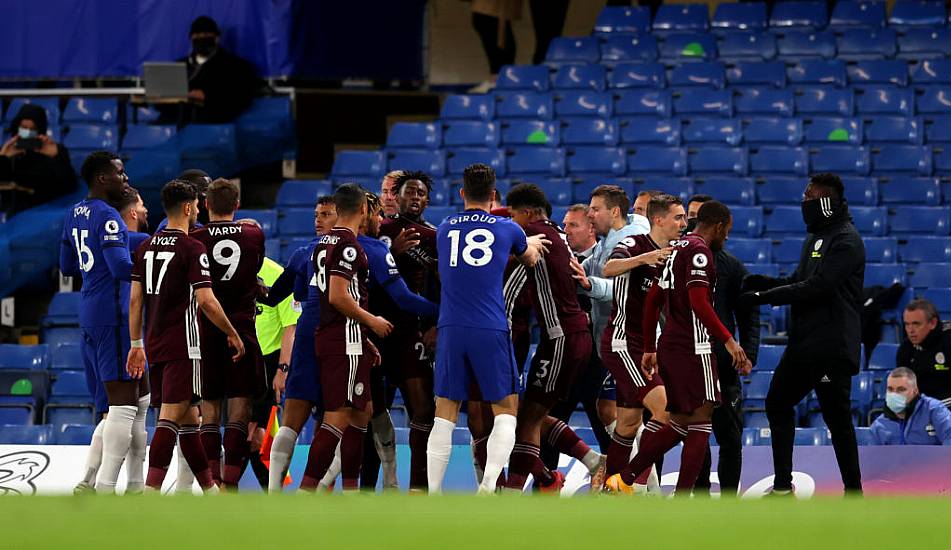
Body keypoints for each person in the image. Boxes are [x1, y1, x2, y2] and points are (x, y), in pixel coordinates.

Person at [606, 200, 751, 496]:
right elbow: (698, 302)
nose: (727, 238)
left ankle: (624, 478)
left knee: (680, 422)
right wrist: (729, 340)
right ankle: (682, 498)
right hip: (694, 347)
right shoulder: (698, 251)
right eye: (727, 232)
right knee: (701, 420)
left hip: (669, 345)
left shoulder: (676, 250)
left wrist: (649, 345)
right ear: (720, 226)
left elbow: (654, 299)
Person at [426, 163, 549, 494]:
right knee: (506, 410)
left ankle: (434, 493)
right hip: (489, 326)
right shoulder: (508, 228)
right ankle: (489, 485)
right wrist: (531, 243)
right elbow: (530, 259)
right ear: (494, 196)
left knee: (445, 412)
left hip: (451, 327)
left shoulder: (444, 227)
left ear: (462, 193)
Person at [740, 173, 865, 496]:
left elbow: (819, 287)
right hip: (805, 344)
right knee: (782, 404)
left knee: (833, 419)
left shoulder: (847, 240)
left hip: (829, 346)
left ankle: (851, 491)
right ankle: (786, 486)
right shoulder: (817, 238)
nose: (803, 204)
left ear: (826, 203)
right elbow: (799, 278)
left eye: (809, 199)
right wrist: (763, 282)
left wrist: (762, 298)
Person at [128, 179, 245, 493]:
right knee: (169, 417)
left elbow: (135, 299)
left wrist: (135, 344)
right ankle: (150, 493)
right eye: (195, 205)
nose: (196, 210)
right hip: (185, 345)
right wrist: (231, 332)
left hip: (154, 343)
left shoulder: (145, 246)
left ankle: (209, 491)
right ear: (188, 208)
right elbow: (206, 300)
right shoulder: (193, 248)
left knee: (190, 420)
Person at [501, 184, 603, 493]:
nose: (512, 224)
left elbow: (510, 293)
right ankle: (587, 460)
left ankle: (515, 491)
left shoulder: (535, 240)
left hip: (560, 338)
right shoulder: (556, 234)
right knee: (531, 414)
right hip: (570, 336)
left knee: (526, 420)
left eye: (513, 216)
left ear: (528, 214)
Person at [60, 151, 148, 494]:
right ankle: (105, 488)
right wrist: (154, 271)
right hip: (113, 318)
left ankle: (108, 483)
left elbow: (67, 267)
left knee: (126, 404)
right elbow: (121, 269)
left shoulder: (72, 214)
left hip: (88, 315)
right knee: (124, 405)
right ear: (101, 178)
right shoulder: (109, 216)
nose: (124, 179)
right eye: (119, 173)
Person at [297, 183, 393, 491]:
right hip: (344, 339)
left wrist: (365, 340)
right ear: (364, 209)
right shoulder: (349, 246)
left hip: (342, 337)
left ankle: (351, 490)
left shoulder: (322, 244)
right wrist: (372, 322)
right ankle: (306, 489)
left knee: (360, 412)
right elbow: (339, 297)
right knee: (337, 417)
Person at [598, 194, 683, 491]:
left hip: (644, 346)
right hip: (622, 343)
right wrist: (643, 260)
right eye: (678, 217)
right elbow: (608, 268)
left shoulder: (673, 256)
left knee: (629, 424)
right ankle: (631, 482)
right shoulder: (635, 244)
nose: (683, 223)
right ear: (658, 219)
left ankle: (611, 487)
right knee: (666, 412)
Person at [360, 190, 440, 491]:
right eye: (404, 192)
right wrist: (392, 252)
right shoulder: (376, 239)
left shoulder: (433, 236)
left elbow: (437, 281)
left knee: (423, 410)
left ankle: (419, 485)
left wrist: (435, 323)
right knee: (371, 413)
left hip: (409, 333)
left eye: (421, 192)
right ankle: (369, 486)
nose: (412, 197)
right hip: (373, 333)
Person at [190, 179, 267, 490]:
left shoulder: (194, 238)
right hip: (243, 329)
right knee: (239, 408)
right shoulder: (254, 234)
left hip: (206, 330)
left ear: (206, 205)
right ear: (237, 205)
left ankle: (213, 482)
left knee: (209, 409)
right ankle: (231, 483)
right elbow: (256, 267)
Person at [685, 194, 760, 497]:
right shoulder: (679, 260)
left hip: (722, 366)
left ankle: (729, 501)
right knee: (696, 435)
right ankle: (701, 497)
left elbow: (749, 315)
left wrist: (749, 355)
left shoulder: (733, 268)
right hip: (688, 363)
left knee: (729, 437)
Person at [261, 196, 337, 492]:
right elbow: (272, 297)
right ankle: (305, 489)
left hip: (309, 335)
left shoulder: (303, 255)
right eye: (317, 214)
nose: (318, 220)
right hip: (330, 338)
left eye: (326, 214)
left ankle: (291, 490)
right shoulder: (349, 253)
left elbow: (271, 295)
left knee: (310, 416)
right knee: (322, 416)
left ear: (340, 216)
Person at [247, 252, 300, 489]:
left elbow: (291, 326)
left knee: (256, 433)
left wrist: (282, 369)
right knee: (246, 432)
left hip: (267, 364)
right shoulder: (229, 270)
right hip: (236, 362)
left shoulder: (276, 274)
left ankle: (224, 488)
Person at [178, 16, 263, 123]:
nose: (201, 38)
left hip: (216, 125)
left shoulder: (236, 67)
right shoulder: (180, 66)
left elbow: (240, 98)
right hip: (179, 125)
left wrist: (207, 97)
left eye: (205, 35)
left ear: (216, 38)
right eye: (197, 36)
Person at [0, 103, 76, 211]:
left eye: (33, 128)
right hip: (9, 212)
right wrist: (3, 158)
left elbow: (69, 186)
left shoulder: (54, 152)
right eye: (24, 127)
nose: (28, 132)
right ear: (17, 128)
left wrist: (56, 157)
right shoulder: (6, 152)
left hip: (40, 213)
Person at [870, 368, 951, 445]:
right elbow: (872, 456)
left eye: (901, 389)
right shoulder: (879, 425)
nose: (894, 394)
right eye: (890, 389)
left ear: (915, 391)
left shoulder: (934, 410)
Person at [897, 299, 951, 409]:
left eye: (916, 324)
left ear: (933, 323)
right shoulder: (905, 349)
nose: (910, 330)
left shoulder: (948, 341)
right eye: (907, 324)